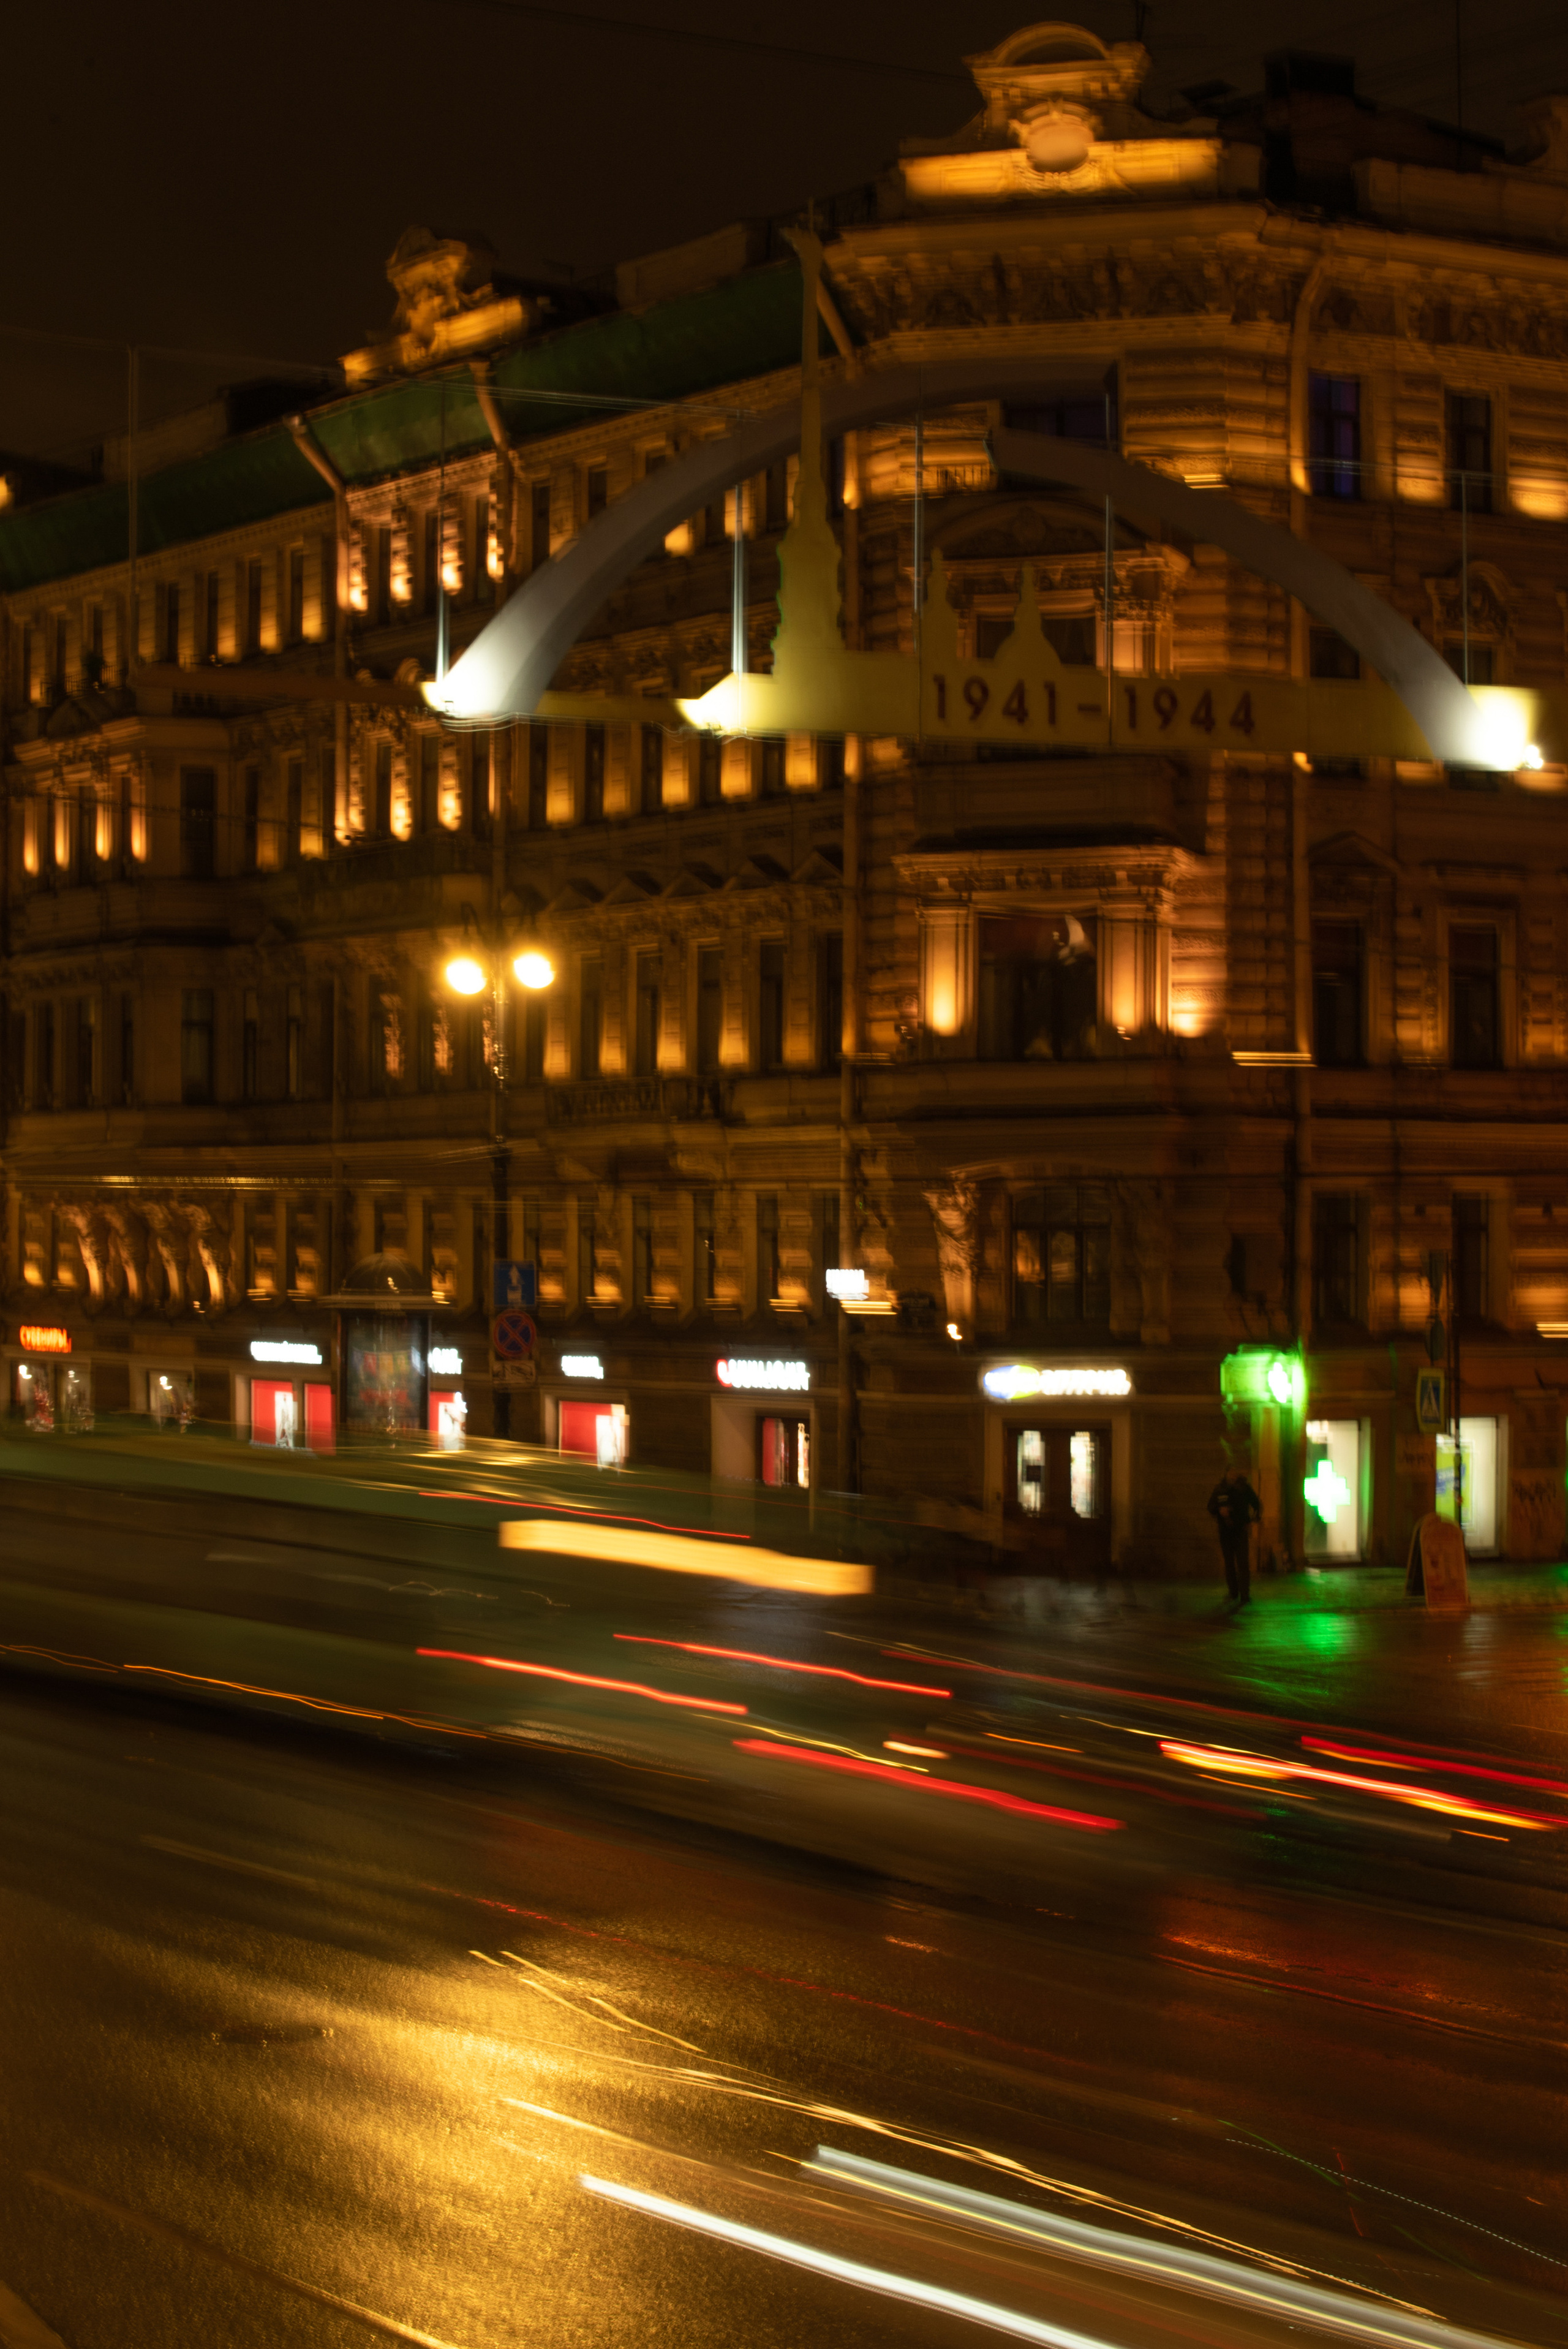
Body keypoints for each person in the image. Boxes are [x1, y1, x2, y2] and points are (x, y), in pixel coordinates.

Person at [1207, 1462, 1262, 1607]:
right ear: (1226, 1474)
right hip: (1225, 1532)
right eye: (1230, 1472)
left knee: (1243, 1563)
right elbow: (1210, 1506)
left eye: (1235, 1472)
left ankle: (1245, 1594)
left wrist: (1252, 1519)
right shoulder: (1220, 1489)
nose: (1233, 1475)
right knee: (1229, 1563)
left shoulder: (1244, 1489)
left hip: (1240, 1531)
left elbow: (1256, 1503)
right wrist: (1219, 1510)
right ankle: (1233, 1592)